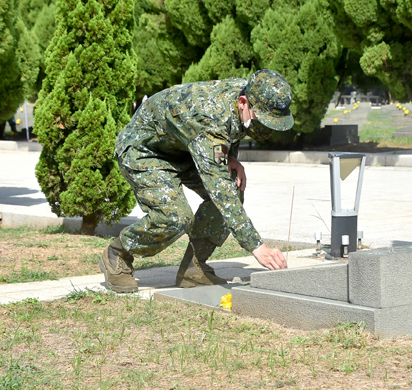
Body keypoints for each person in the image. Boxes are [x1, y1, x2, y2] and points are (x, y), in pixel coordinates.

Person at [99, 69, 293, 293]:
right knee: (176, 218)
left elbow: (231, 129)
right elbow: (220, 189)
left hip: (185, 147)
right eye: (263, 118)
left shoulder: (249, 92)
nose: (266, 126)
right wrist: (257, 247)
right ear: (243, 102)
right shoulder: (209, 120)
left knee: (233, 184)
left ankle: (194, 267)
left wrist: (230, 157)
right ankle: (117, 254)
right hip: (145, 151)